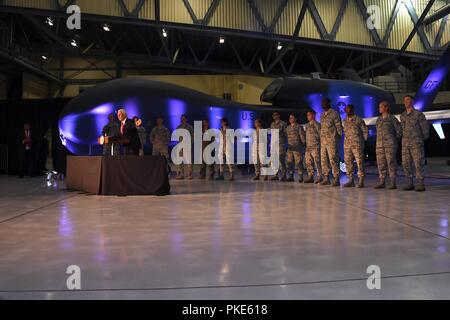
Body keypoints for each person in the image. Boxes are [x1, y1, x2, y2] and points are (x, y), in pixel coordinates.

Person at [400, 95, 429, 191]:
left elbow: (425, 129)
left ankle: (420, 183)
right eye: (404, 100)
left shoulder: (418, 114)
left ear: (412, 101)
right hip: (405, 144)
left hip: (416, 142)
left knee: (418, 163)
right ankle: (409, 183)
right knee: (406, 163)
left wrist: (420, 139)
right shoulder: (402, 115)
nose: (405, 102)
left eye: (408, 100)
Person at [374, 101, 402, 189]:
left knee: (391, 162)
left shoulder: (392, 119)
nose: (379, 108)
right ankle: (382, 181)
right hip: (379, 145)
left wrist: (393, 141)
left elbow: (399, 131)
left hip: (390, 145)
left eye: (381, 106)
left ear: (386, 108)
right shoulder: (378, 120)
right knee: (381, 163)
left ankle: (393, 182)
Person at [342, 104, 368, 188]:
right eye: (346, 109)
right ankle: (350, 180)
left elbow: (365, 131)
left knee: (359, 162)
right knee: (348, 162)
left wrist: (362, 141)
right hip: (347, 145)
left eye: (349, 109)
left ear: (353, 110)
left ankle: (361, 180)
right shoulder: (345, 120)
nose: (348, 110)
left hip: (357, 145)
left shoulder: (358, 120)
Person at [319, 98, 343, 187]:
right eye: (322, 102)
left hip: (332, 141)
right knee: (324, 160)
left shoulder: (334, 113)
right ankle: (326, 178)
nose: (322, 104)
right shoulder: (322, 115)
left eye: (324, 102)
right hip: (323, 141)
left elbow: (339, 128)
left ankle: (336, 178)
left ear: (328, 103)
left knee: (333, 159)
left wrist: (337, 139)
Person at [285, 114, 306, 182]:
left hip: (297, 147)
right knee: (289, 162)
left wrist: (303, 143)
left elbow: (302, 136)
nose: (290, 119)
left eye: (292, 117)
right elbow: (286, 137)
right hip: (290, 148)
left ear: (295, 119)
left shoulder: (299, 127)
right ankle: (291, 175)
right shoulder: (287, 128)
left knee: (299, 162)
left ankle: (300, 176)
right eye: (289, 117)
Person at [303, 111, 322, 184]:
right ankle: (310, 176)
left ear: (313, 115)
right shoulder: (307, 125)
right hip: (308, 147)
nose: (307, 116)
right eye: (307, 115)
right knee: (308, 162)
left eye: (309, 115)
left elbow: (320, 135)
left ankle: (320, 176)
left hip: (315, 146)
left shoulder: (317, 124)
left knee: (317, 162)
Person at [269, 111, 287, 181]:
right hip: (273, 144)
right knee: (273, 160)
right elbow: (272, 134)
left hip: (280, 144)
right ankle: (275, 174)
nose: (275, 117)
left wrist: (285, 144)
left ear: (279, 116)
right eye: (273, 116)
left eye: (276, 115)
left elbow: (286, 134)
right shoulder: (272, 124)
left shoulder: (283, 124)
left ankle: (284, 174)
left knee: (281, 159)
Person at [176, 114, 194, 180]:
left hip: (187, 145)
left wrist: (190, 143)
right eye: (181, 118)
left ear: (186, 119)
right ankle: (181, 174)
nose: (182, 119)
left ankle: (190, 174)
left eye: (183, 118)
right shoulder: (178, 127)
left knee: (189, 160)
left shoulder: (189, 127)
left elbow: (193, 136)